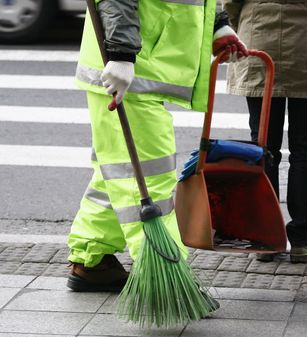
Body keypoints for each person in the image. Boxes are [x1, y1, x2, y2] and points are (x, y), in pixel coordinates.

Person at [67, 0, 248, 292]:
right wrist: (121, 53)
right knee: (149, 180)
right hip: (127, 69)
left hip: (144, 63)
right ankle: (167, 279)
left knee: (118, 174)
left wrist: (216, 25)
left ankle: (91, 260)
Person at [222, 0, 307, 263]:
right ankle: (302, 238)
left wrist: (242, 24)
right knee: (306, 146)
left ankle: (266, 235)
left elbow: (230, 2)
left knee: (263, 147)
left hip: (259, 36)